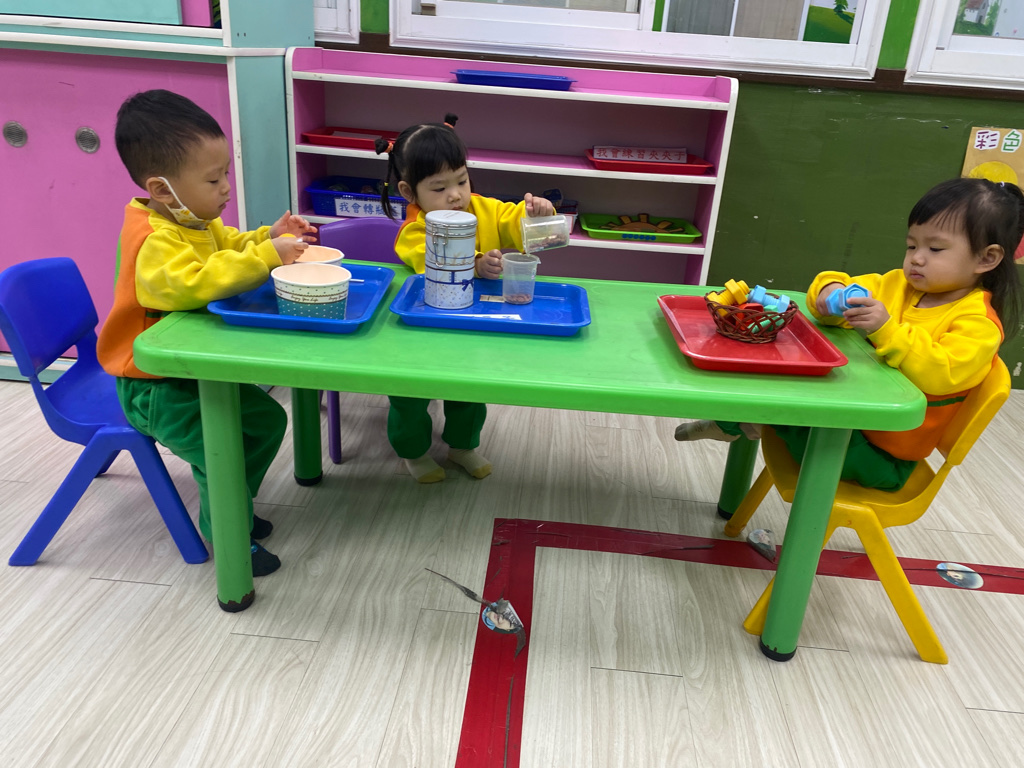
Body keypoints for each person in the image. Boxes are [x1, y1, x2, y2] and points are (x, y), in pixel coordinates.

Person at [676, 177, 1024, 491]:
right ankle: (738, 423)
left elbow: (939, 373)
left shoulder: (979, 323)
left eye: (935, 249)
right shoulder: (898, 285)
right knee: (780, 380)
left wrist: (887, 330)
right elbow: (840, 286)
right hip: (853, 420)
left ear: (986, 259)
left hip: (882, 454)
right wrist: (830, 294)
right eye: (911, 245)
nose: (916, 259)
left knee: (792, 410)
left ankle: (740, 424)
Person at [97, 89, 317, 575]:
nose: (226, 189)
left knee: (265, 422)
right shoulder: (154, 240)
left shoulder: (193, 218)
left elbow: (229, 245)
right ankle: (227, 530)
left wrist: (267, 235)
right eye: (214, 179)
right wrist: (267, 257)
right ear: (162, 189)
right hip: (152, 385)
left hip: (189, 370)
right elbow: (192, 283)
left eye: (226, 175)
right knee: (224, 450)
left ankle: (234, 505)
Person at [374, 113, 554, 483]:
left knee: (469, 392)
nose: (455, 195)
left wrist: (539, 214)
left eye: (461, 180)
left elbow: (519, 223)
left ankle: (462, 446)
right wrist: (475, 264)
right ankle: (413, 453)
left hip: (471, 326)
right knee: (409, 395)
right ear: (409, 192)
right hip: (422, 329)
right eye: (439, 188)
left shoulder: (485, 209)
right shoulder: (414, 231)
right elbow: (431, 260)